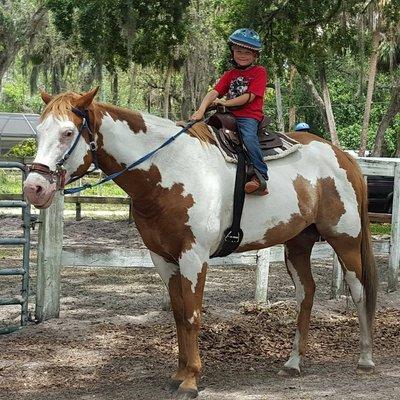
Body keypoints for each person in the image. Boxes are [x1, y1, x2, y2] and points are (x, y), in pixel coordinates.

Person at [190, 28, 269, 196]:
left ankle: (260, 176)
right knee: (204, 132)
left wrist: (225, 102)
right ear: (232, 51)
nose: (242, 55)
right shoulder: (230, 74)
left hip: (248, 116)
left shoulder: (259, 72)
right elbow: (214, 93)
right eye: (239, 51)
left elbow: (249, 97)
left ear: (255, 55)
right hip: (228, 116)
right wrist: (201, 110)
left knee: (248, 137)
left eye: (247, 52)